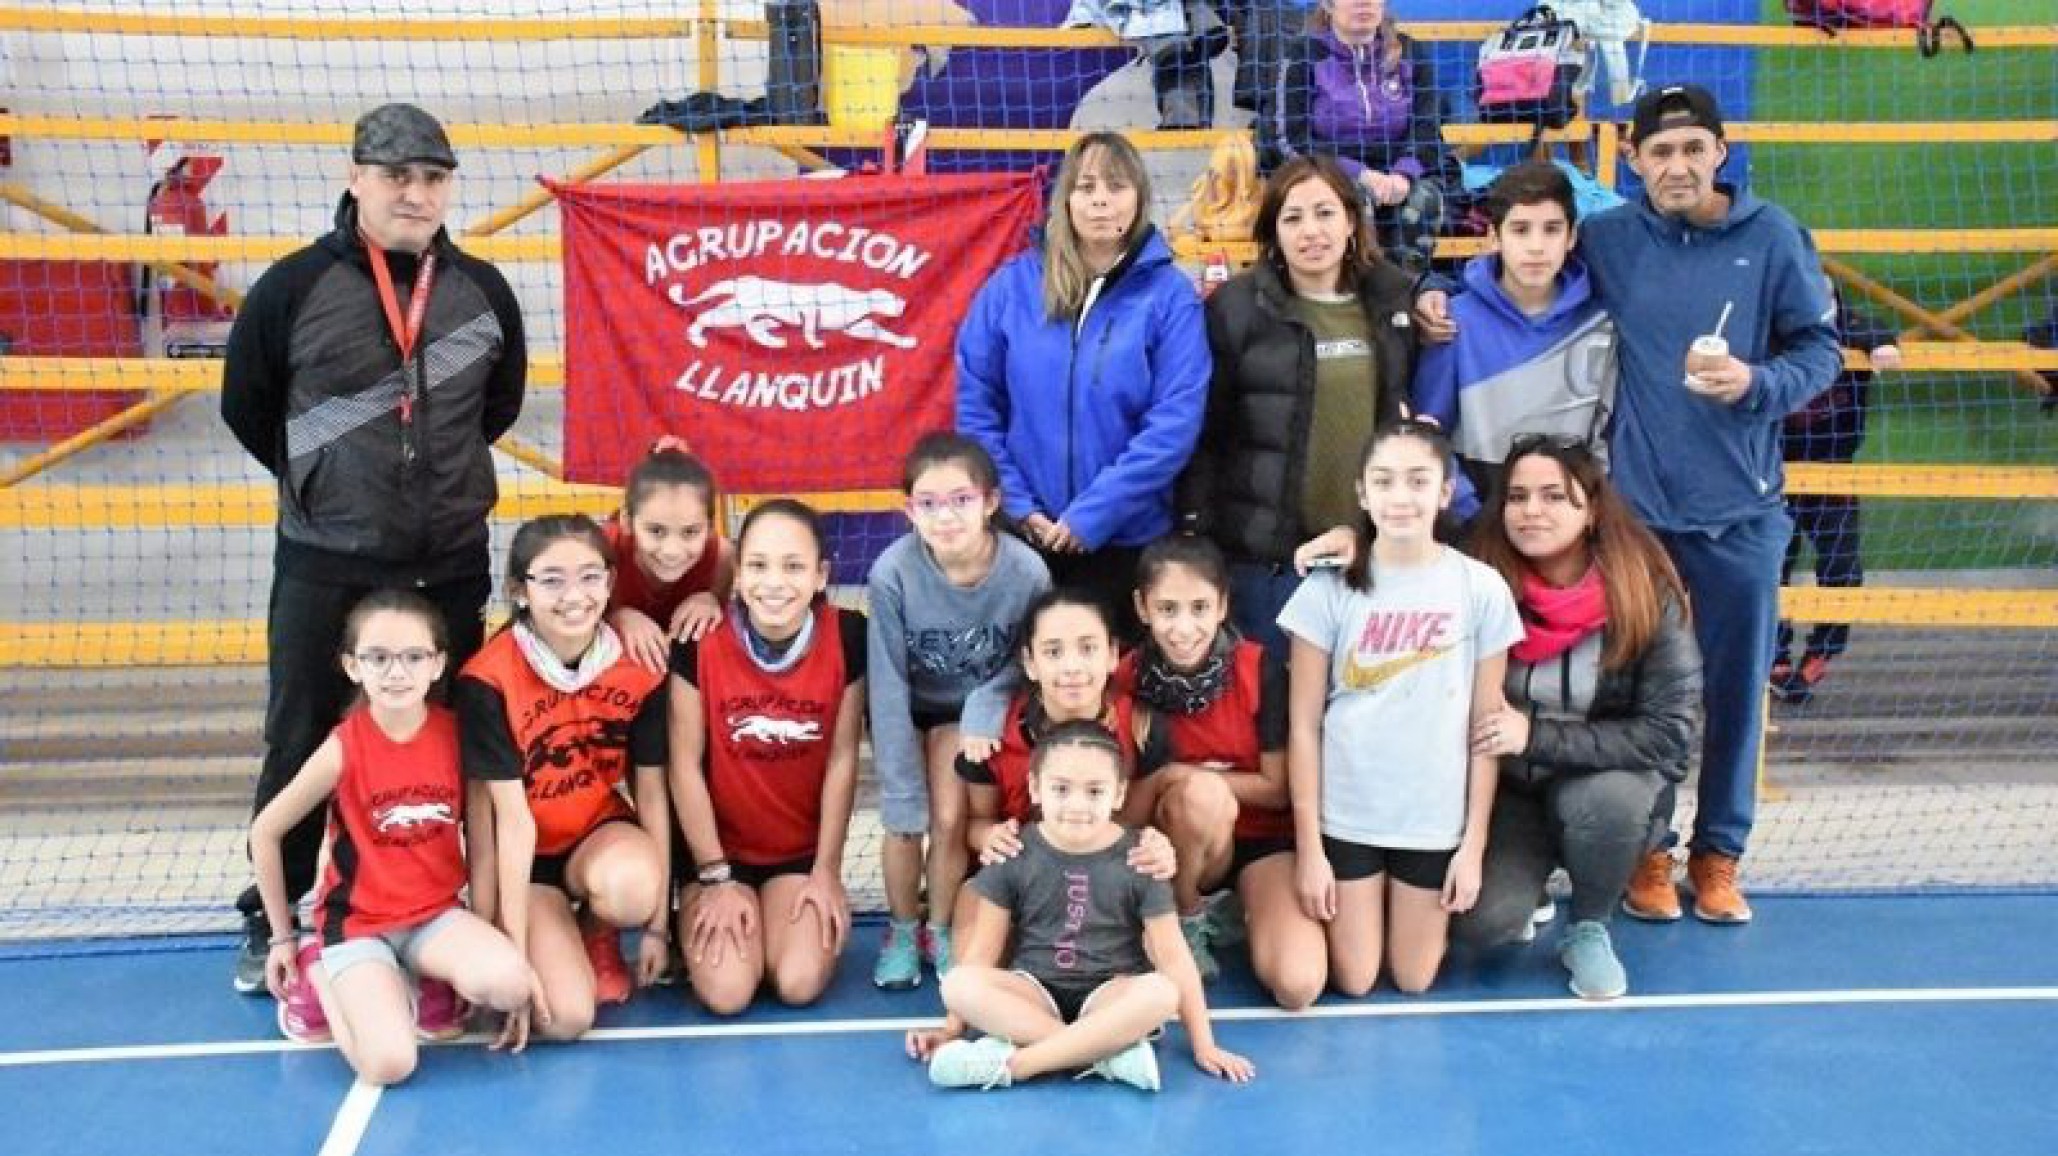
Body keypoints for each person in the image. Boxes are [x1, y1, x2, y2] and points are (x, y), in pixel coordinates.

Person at [1415, 84, 1841, 924]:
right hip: (1636, 524)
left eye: (1693, 149)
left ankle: (1719, 854)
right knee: (1633, 699)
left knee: (1734, 688)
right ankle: (1650, 852)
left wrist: (1758, 384)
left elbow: (1819, 352)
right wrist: (1432, 287)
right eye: (1660, 152)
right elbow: (1513, 249)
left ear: (1720, 152)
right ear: (1637, 162)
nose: (1677, 166)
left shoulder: (1775, 238)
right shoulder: (1609, 239)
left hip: (1742, 516)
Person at [220, 102, 528, 993]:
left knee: (452, 742)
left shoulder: (484, 291)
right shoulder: (291, 288)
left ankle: (445, 903)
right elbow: (251, 407)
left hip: (447, 559)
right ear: (356, 177)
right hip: (327, 556)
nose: (416, 192)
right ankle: (268, 916)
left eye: (433, 177)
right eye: (397, 175)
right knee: (301, 734)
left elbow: (494, 409)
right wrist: (326, 481)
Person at [1452, 437, 1702, 1000]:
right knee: (1482, 926)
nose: (1531, 511)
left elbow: (1670, 732)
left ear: (1590, 511)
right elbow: (1405, 540)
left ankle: (1589, 926)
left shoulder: (1644, 592)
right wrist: (1354, 537)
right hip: (1510, 790)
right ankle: (1528, 887)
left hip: (1600, 780)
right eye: (1517, 497)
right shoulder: (1477, 578)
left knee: (1608, 804)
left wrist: (1535, 735)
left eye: (1552, 497)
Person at [1278, 421, 1521, 996]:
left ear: (1444, 491)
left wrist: (1473, 846)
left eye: (1418, 481)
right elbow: (1303, 727)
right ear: (1363, 493)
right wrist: (1310, 849)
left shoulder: (1480, 589)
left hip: (1432, 818)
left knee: (1413, 980)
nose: (1401, 497)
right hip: (1348, 814)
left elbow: (1485, 730)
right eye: (1384, 481)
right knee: (1356, 980)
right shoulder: (1328, 589)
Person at [251, 591, 539, 1076]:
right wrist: (282, 937)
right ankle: (320, 973)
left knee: (511, 985)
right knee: (390, 1065)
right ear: (352, 666)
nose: (396, 672)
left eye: (413, 657)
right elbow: (266, 831)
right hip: (359, 925)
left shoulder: (458, 735)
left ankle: (421, 977)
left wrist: (492, 931)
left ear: (438, 664)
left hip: (435, 918)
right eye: (378, 658)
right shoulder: (344, 747)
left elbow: (483, 840)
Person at [955, 131, 1210, 641]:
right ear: (1064, 198)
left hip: (1126, 541)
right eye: (1085, 185)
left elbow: (1174, 425)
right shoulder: (1012, 286)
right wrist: (1021, 508)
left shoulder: (1170, 298)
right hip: (1023, 540)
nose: (1099, 199)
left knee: (1114, 700)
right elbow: (976, 405)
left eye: (1116, 186)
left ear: (1138, 197)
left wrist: (1093, 515)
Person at [907, 721, 1256, 1091]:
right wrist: (950, 1029)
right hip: (1034, 994)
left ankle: (1019, 1064)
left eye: (1094, 791)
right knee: (959, 983)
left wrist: (1205, 1045)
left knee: (1161, 992)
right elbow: (981, 953)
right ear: (1035, 789)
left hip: (1109, 995)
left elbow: (1175, 959)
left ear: (1119, 794)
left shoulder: (1141, 857)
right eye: (1061, 789)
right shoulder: (1011, 851)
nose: (1077, 805)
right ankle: (1103, 1055)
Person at [1178, 154, 1419, 668]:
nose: (1312, 231)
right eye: (1293, 218)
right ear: (1273, 232)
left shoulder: (1392, 300)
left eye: (1325, 213)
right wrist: (1199, 535)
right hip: (1269, 560)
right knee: (1277, 720)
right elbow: (1206, 434)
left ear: (1352, 222)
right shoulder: (1236, 308)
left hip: (1368, 551)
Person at [457, 516, 671, 1048]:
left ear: (610, 582)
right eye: (551, 579)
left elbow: (650, 794)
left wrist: (657, 924)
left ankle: (599, 932)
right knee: (567, 1018)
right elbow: (493, 826)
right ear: (519, 591)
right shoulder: (488, 679)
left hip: (595, 838)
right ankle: (552, 933)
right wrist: (497, 941)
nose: (574, 595)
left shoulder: (637, 666)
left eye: (590, 577)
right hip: (523, 861)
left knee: (631, 887)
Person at [667, 500, 866, 1016]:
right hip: (719, 857)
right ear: (736, 574)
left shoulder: (847, 634)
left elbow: (844, 758)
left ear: (821, 575)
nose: (774, 582)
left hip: (796, 856)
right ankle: (688, 921)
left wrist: (826, 870)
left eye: (793, 566)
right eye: (757, 565)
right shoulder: (700, 641)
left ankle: (783, 924)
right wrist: (713, 876)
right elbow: (683, 765)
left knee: (798, 983)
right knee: (728, 993)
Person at [867, 432, 1051, 990]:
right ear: (909, 510)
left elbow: (1029, 661)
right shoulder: (891, 573)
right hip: (906, 707)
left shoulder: (1026, 572)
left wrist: (982, 704)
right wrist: (899, 775)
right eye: (928, 503)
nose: (945, 517)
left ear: (991, 502)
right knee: (904, 820)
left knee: (949, 819)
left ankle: (939, 929)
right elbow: (888, 679)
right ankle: (901, 929)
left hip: (967, 714)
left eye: (961, 500)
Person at [1115, 535, 1324, 1007]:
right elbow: (1125, 812)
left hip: (1259, 845)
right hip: (1170, 846)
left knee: (1298, 985)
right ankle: (1185, 915)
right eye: (1167, 609)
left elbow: (1277, 789)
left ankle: (1234, 912)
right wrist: (1178, 785)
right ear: (1142, 608)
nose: (1183, 627)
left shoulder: (1260, 667)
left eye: (1198, 608)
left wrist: (1177, 774)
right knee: (1201, 798)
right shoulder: (1122, 678)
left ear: (1223, 605)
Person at [1411, 162, 1618, 521]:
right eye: (1520, 230)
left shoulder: (1601, 323)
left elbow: (1608, 435)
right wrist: (1468, 511)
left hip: (1571, 523)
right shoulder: (1451, 322)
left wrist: (1587, 512)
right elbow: (1429, 431)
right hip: (1479, 523)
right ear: (1494, 237)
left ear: (1571, 237)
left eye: (1551, 230)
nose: (1536, 247)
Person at [957, 590, 1174, 921]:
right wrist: (989, 836)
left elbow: (1134, 824)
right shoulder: (991, 737)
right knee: (972, 916)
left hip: (1106, 875)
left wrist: (1155, 846)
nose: (1072, 667)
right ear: (1030, 663)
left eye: (1088, 649)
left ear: (1112, 654)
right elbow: (976, 822)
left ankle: (1188, 918)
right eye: (1053, 652)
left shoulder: (1141, 727)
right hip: (1023, 874)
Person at [1773, 282, 1900, 704]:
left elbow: (1874, 329)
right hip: (1771, 472)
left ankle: (1821, 654)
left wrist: (1881, 343)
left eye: (1824, 293)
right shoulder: (1769, 327)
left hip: (1833, 471)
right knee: (1771, 566)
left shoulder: (1849, 328)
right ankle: (1772, 657)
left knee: (1843, 568)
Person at [1262, 0, 1459, 267]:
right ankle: (1349, 293)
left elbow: (1428, 124)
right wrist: (1359, 174)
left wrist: (1403, 173)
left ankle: (1402, 296)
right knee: (1349, 200)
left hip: (1399, 168)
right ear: (1328, 5)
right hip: (1329, 169)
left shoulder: (1410, 51)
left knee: (1424, 199)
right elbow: (1289, 137)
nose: (1364, 2)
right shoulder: (1303, 54)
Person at [607, 440, 733, 673]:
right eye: (656, 531)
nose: (672, 551)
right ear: (626, 521)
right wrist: (617, 617)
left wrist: (711, 599)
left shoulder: (723, 560)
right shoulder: (601, 553)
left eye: (690, 532)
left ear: (709, 527)